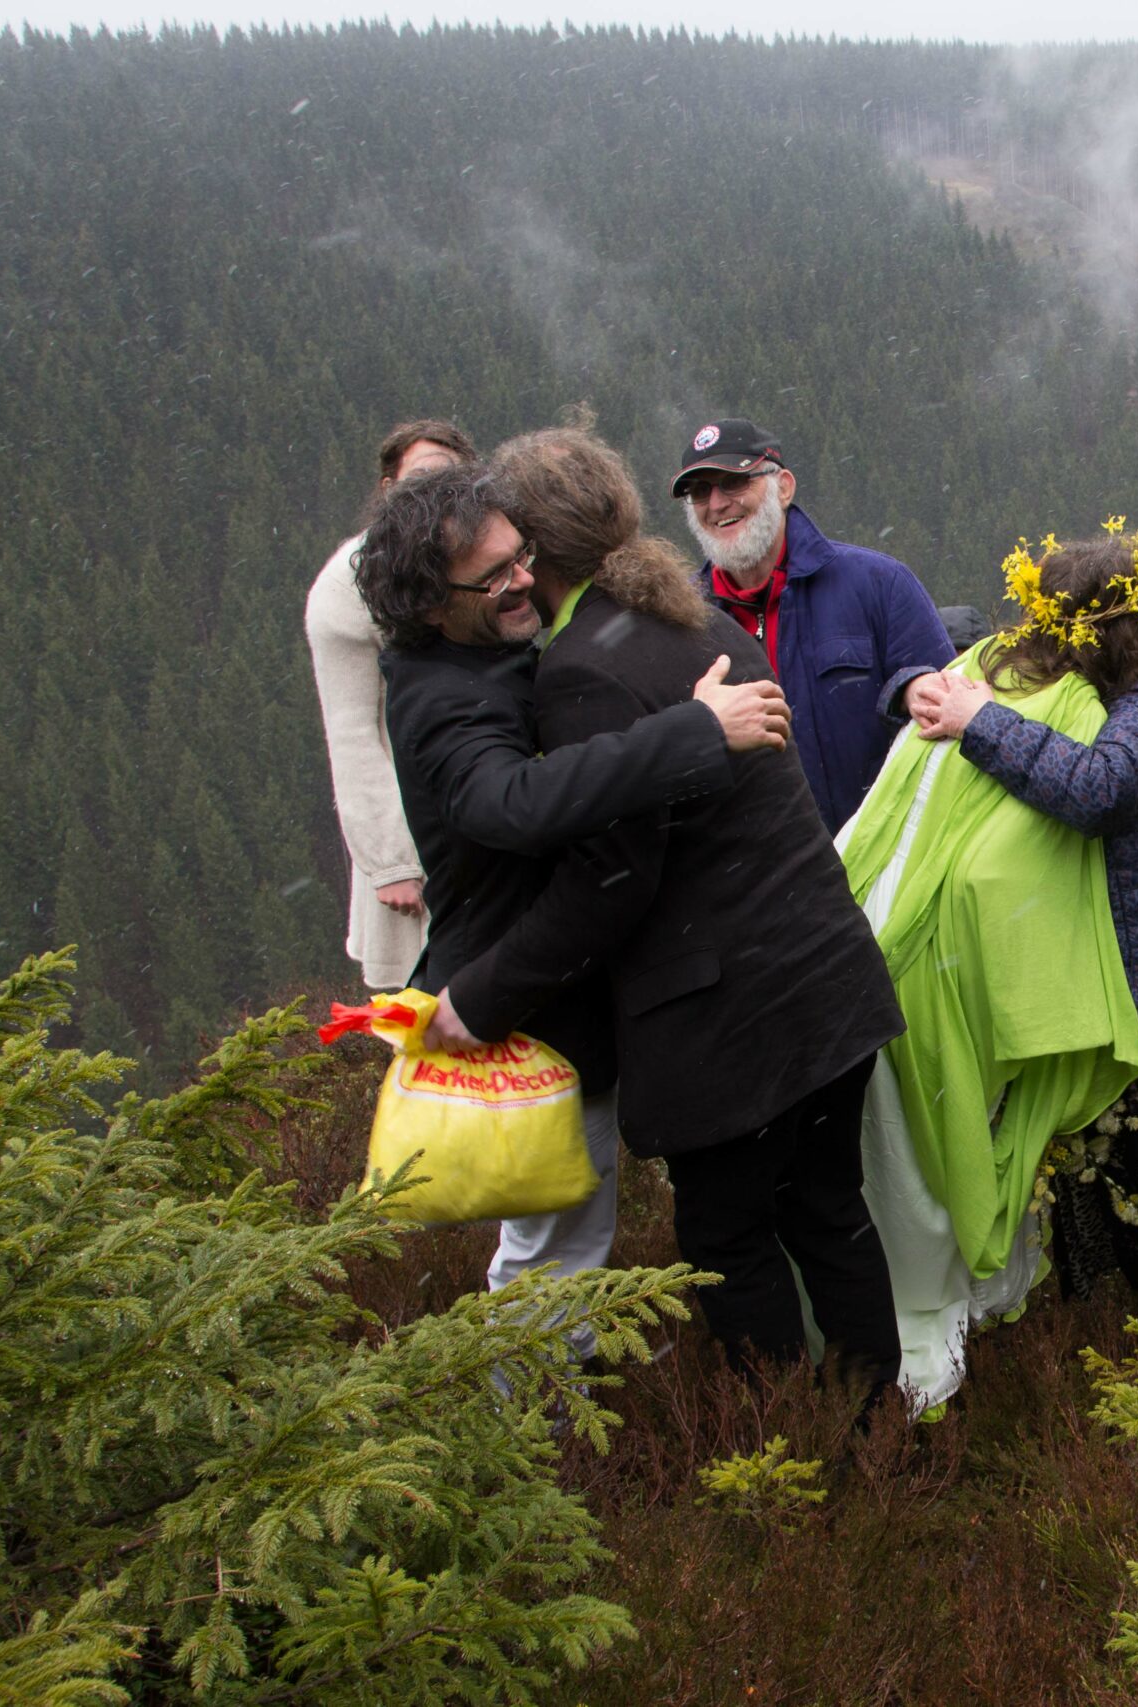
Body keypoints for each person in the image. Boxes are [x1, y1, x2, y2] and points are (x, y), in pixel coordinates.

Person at [436, 427, 907, 1402]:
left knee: (728, 1240)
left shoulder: (581, 672)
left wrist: (481, 996)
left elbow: (609, 881)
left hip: (730, 1016)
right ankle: (875, 1438)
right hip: (823, 974)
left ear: (533, 550)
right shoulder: (687, 614)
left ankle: (786, 1453)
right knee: (828, 1212)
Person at [353, 462, 794, 1349]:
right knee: (554, 1246)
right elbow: (513, 804)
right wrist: (693, 730)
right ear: (431, 603)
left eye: (522, 554)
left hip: (551, 993)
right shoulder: (441, 699)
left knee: (571, 1233)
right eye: (494, 575)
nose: (526, 578)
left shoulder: (480, 652)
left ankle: (560, 1380)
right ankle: (533, 1412)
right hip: (528, 1011)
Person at [908, 523, 1138, 1306]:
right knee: (1116, 1185)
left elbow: (1101, 789)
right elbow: (952, 681)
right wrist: (911, 688)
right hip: (1093, 984)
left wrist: (983, 722)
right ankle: (1129, 1336)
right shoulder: (1066, 687)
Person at [674, 417, 956, 831]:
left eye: (734, 482)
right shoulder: (677, 620)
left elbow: (951, 726)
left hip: (875, 858)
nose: (716, 504)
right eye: (700, 491)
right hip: (751, 867)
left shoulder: (880, 585)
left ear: (784, 487)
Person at [305, 418, 474, 989]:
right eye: (422, 475)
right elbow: (351, 730)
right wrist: (392, 861)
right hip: (410, 828)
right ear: (388, 487)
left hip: (479, 801)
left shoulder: (480, 555)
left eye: (452, 476)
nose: (436, 489)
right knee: (426, 1001)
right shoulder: (347, 584)